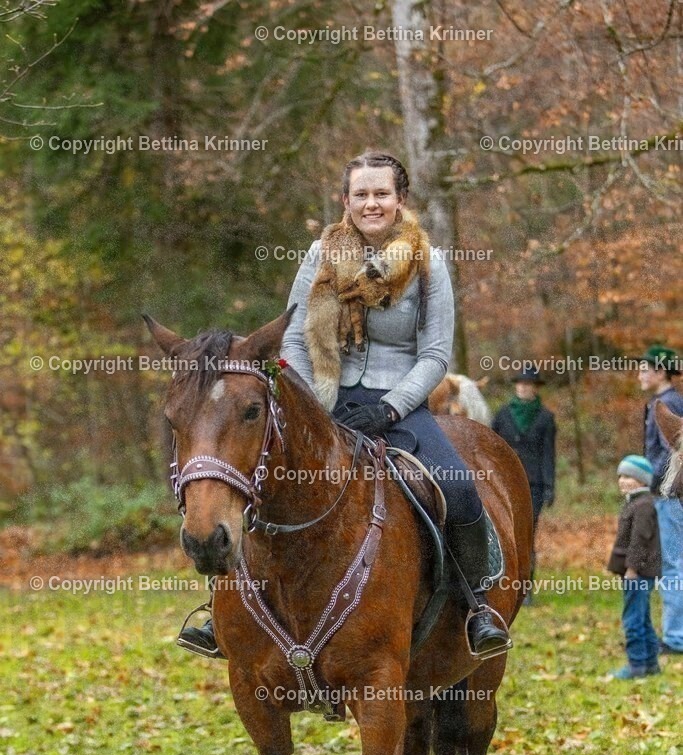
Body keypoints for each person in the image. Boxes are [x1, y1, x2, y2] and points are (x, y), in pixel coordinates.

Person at [179, 151, 510, 658]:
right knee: (251, 479)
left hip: (402, 404)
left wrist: (391, 408)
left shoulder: (429, 264)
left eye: (381, 194)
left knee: (459, 489)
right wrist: (312, 403)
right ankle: (219, 611)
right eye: (361, 194)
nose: (371, 203)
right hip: (322, 402)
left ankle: (476, 605)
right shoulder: (320, 256)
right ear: (345, 201)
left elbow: (436, 355)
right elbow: (291, 340)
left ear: (400, 200)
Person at [491, 368, 556, 595]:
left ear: (535, 387)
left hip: (533, 484)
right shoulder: (502, 414)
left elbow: (548, 453)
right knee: (503, 532)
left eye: (528, 384)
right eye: (520, 383)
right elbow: (492, 448)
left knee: (527, 534)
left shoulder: (546, 418)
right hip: (504, 481)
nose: (524, 387)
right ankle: (502, 583)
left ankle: (524, 588)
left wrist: (549, 486)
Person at [638, 342, 683, 655]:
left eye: (645, 368)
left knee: (674, 562)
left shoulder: (670, 405)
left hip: (671, 494)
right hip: (660, 492)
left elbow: (672, 456)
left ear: (661, 372)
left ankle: (676, 636)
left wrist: (647, 481)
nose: (639, 374)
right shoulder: (660, 402)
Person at [607, 456, 661, 679]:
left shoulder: (643, 505)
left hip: (638, 573)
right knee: (643, 617)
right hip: (639, 571)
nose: (622, 480)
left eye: (628, 476)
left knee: (633, 619)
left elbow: (640, 540)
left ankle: (636, 665)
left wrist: (632, 568)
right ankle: (650, 664)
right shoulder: (636, 502)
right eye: (620, 476)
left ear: (642, 480)